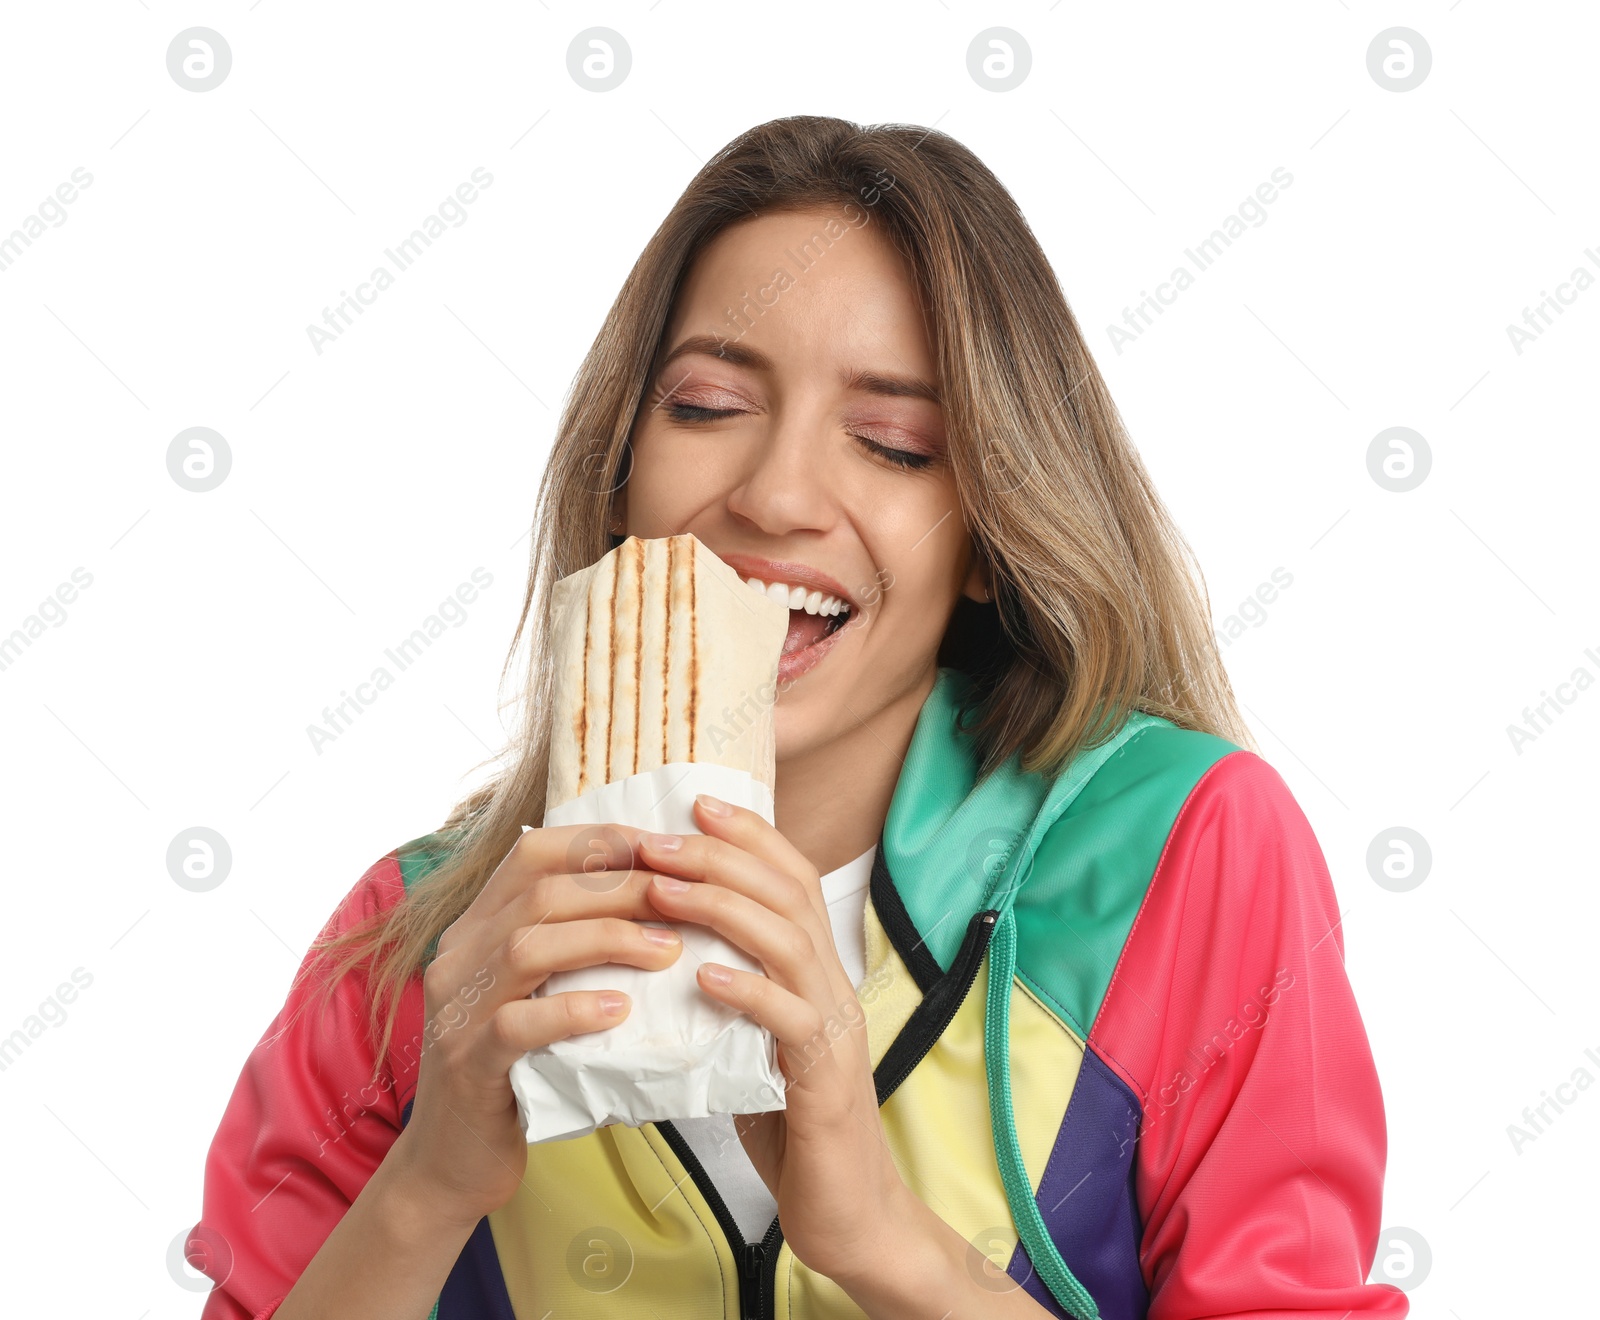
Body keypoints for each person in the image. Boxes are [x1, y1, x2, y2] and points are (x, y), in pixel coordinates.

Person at [189, 115, 1407, 1320]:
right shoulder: (418, 939)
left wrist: (884, 1242)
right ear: (619, 478)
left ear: (991, 536)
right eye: (708, 407)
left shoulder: (1185, 853)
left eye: (892, 443)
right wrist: (427, 1183)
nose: (773, 496)